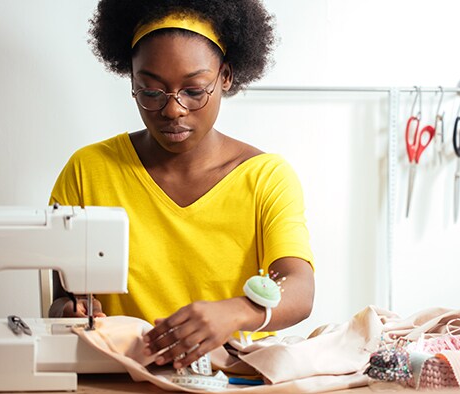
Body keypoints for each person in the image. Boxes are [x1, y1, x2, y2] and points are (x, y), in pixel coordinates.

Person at [48, 0, 315, 371]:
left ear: (225, 76)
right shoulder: (88, 171)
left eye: (193, 90)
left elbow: (299, 288)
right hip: (124, 378)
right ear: (131, 80)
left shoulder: (265, 178)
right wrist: (70, 310)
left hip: (231, 378)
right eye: (152, 92)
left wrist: (236, 312)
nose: (173, 110)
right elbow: (60, 299)